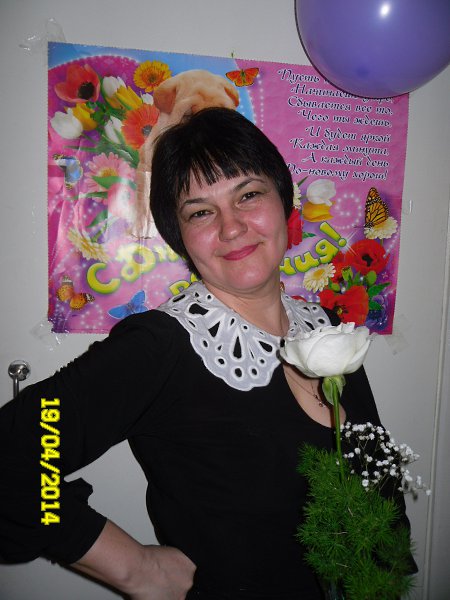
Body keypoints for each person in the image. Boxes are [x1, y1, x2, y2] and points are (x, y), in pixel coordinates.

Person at [0, 107, 408, 599]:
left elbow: (380, 492)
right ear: (179, 236)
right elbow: (11, 458)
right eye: (200, 212)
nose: (231, 227)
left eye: (248, 194)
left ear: (284, 202)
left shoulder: (324, 329)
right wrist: (139, 570)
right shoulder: (162, 346)